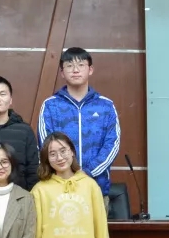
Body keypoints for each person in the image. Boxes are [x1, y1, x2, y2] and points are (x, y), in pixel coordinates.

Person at [37, 48, 120, 211]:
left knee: (96, 229)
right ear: (62, 72)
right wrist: (67, 174)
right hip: (59, 189)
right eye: (69, 66)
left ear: (90, 69)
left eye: (81, 65)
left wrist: (87, 172)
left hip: (95, 188)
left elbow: (112, 144)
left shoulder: (105, 106)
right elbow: (45, 145)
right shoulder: (50, 105)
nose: (75, 70)